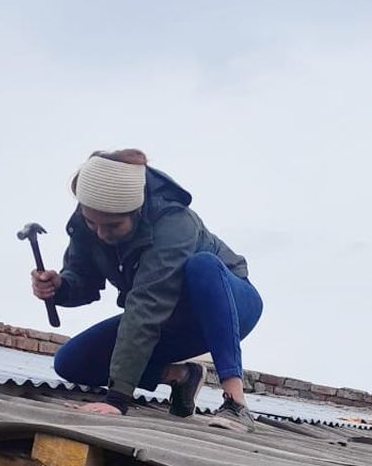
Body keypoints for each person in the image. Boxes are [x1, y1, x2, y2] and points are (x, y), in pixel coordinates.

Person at [32, 148, 263, 431]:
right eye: (93, 223)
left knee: (203, 266)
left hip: (228, 308)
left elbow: (146, 305)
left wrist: (117, 399)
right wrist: (61, 287)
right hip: (168, 320)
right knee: (71, 362)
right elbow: (83, 278)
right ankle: (181, 377)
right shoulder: (86, 222)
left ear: (137, 211)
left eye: (113, 225)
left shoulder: (174, 223)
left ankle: (235, 403)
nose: (101, 233)